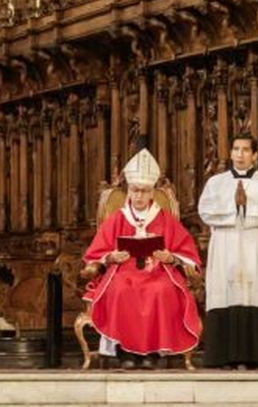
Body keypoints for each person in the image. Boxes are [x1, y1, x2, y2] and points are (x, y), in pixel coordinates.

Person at [81, 148, 202, 369]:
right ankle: (125, 352)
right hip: (123, 271)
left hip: (158, 271)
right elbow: (96, 252)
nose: (139, 196)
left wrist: (171, 257)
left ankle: (153, 353)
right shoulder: (117, 218)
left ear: (152, 192)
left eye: (144, 191)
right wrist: (111, 257)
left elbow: (188, 252)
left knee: (162, 290)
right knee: (120, 289)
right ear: (128, 191)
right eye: (135, 191)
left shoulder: (165, 219)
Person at [197, 132, 258, 368]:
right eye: (236, 149)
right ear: (230, 153)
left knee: (256, 293)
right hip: (225, 247)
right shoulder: (215, 183)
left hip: (256, 246)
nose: (240, 154)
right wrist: (232, 206)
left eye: (246, 150)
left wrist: (247, 206)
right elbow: (205, 211)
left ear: (255, 155)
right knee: (225, 295)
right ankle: (223, 356)